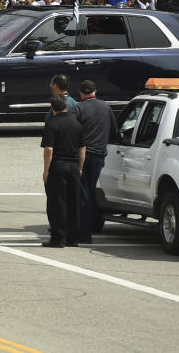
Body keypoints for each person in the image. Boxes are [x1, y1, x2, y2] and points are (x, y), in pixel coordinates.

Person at [69, 79, 120, 244]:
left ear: (81, 93)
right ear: (95, 91)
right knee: (90, 192)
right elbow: (114, 132)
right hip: (99, 156)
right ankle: (88, 228)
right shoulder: (106, 107)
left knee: (82, 195)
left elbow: (70, 129)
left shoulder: (79, 108)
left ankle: (84, 234)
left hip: (82, 156)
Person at [40, 97, 86, 248]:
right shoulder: (77, 124)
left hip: (58, 166)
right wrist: (80, 167)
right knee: (74, 201)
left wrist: (46, 170)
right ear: (66, 106)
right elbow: (82, 149)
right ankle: (73, 238)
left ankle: (58, 237)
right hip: (73, 165)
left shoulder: (52, 124)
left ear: (53, 109)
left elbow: (49, 149)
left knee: (57, 203)